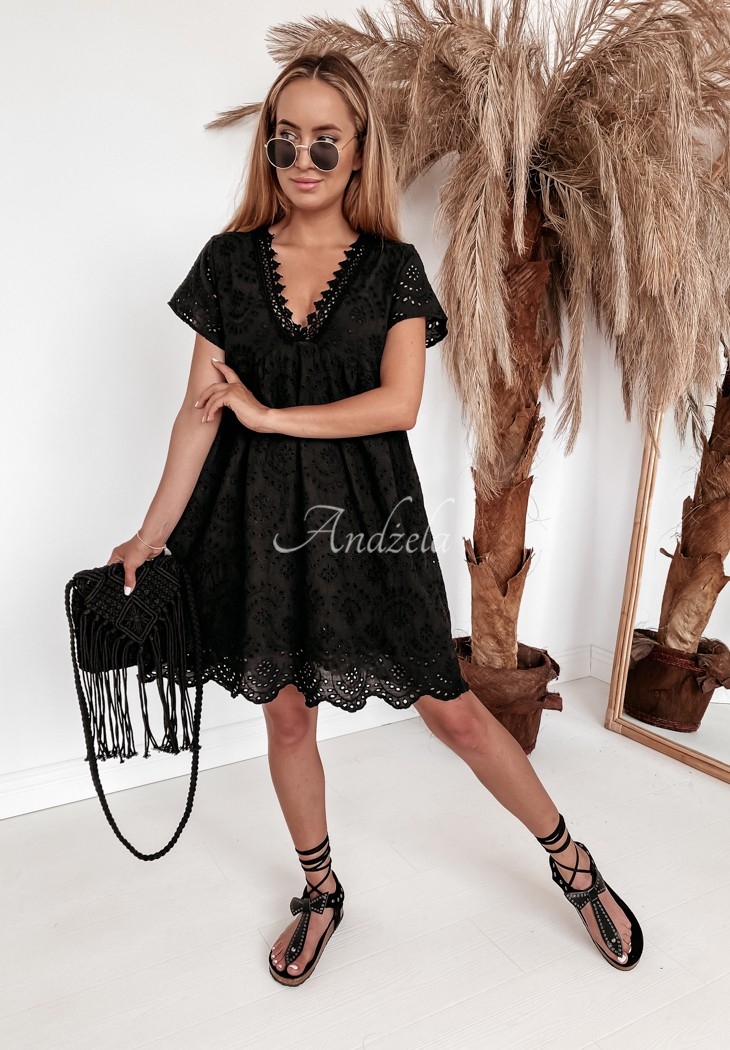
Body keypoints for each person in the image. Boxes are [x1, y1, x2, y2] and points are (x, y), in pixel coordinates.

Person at [108, 51, 643, 986]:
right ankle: (321, 892)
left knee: (455, 712)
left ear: (359, 151)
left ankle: (572, 861)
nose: (303, 159)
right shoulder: (227, 264)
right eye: (285, 140)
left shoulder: (394, 269)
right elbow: (197, 417)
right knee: (286, 719)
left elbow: (399, 405)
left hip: (367, 522)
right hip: (259, 523)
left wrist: (272, 414)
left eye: (326, 141)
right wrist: (150, 535)